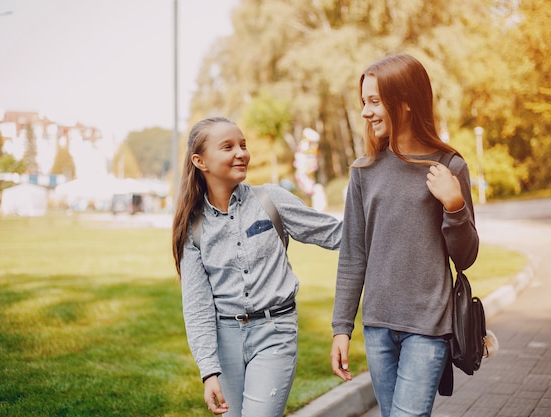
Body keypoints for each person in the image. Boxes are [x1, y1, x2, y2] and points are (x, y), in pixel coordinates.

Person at [330, 54, 480, 416]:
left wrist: (455, 205)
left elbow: (466, 257)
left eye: (374, 101)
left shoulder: (449, 166)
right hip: (378, 326)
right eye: (363, 102)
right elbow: (353, 255)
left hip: (428, 325)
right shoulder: (364, 170)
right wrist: (341, 327)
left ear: (407, 103)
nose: (365, 112)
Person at [172, 116, 342, 417]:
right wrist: (209, 371)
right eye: (228, 147)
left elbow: (335, 234)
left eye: (243, 145)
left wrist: (391, 222)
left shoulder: (270, 200)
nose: (241, 153)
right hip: (225, 339)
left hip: (275, 331)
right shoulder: (193, 226)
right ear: (200, 161)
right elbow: (197, 306)